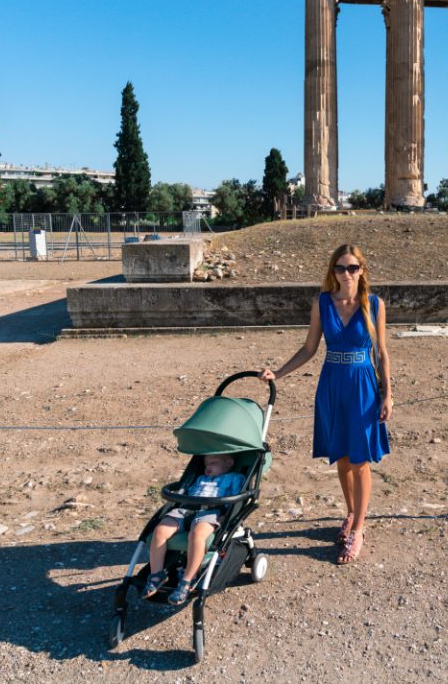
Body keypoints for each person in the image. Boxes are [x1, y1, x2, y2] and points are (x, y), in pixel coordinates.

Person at [260, 244, 392, 564]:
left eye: (352, 268)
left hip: (362, 385)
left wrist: (388, 393)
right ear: (332, 271)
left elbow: (382, 353)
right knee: (343, 459)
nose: (346, 274)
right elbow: (309, 349)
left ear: (362, 270)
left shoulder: (374, 304)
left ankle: (358, 529)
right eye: (340, 268)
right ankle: (350, 513)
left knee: (360, 460)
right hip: (332, 383)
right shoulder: (322, 303)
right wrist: (278, 373)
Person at [143, 452, 246, 604]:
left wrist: (228, 515)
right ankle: (157, 574)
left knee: (197, 534)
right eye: (206, 464)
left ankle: (187, 579)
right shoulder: (200, 478)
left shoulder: (235, 478)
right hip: (186, 509)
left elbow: (238, 499)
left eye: (213, 463)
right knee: (160, 530)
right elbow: (187, 491)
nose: (208, 466)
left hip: (211, 510)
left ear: (229, 463)